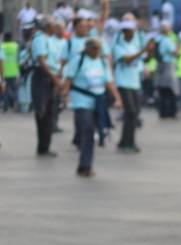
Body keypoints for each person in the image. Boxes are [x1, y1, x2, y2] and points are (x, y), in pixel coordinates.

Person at [61, 36, 119, 177]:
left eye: (98, 49)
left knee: (92, 133)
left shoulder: (102, 62)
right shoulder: (78, 60)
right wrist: (65, 95)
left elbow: (109, 82)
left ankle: (85, 165)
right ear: (88, 49)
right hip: (81, 100)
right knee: (87, 130)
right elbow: (69, 79)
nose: (96, 51)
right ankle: (85, 165)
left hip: (98, 101)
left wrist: (117, 98)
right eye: (94, 49)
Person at [111, 13, 150, 153]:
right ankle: (128, 143)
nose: (132, 34)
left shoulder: (135, 44)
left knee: (134, 113)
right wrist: (143, 51)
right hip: (123, 83)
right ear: (124, 32)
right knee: (131, 112)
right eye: (129, 32)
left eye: (133, 31)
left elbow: (141, 59)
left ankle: (125, 142)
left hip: (135, 82)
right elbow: (127, 59)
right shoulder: (118, 46)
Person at [30, 17, 59, 157]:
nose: (56, 27)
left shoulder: (50, 39)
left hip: (51, 76)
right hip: (43, 76)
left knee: (49, 113)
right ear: (47, 26)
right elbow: (41, 61)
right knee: (42, 113)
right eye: (54, 25)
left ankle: (45, 146)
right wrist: (53, 77)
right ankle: (42, 147)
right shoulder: (40, 39)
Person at [154, 21, 178, 119]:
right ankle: (171, 112)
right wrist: (179, 47)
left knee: (162, 91)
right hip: (167, 66)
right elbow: (174, 52)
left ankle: (163, 112)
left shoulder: (158, 39)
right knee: (170, 90)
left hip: (160, 66)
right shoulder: (167, 40)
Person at [2, 33, 17, 112]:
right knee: (13, 88)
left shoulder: (2, 46)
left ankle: (6, 106)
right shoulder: (15, 46)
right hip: (14, 70)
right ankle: (14, 103)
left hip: (3, 71)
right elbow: (17, 58)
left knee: (5, 89)